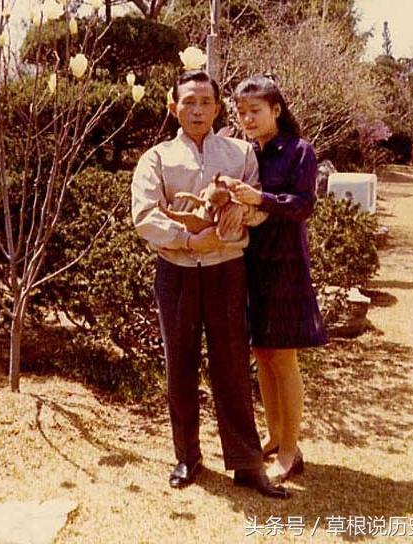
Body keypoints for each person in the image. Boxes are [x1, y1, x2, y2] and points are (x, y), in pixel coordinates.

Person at [131, 70, 290, 499]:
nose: (198, 110)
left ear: (218, 109)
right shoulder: (156, 159)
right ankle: (188, 457)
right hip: (176, 272)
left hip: (227, 270)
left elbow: (260, 204)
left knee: (233, 366)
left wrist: (243, 212)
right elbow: (145, 215)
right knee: (179, 366)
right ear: (173, 107)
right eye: (188, 102)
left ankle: (247, 464)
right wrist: (187, 239)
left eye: (206, 102)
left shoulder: (241, 153)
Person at [232, 75, 328, 482]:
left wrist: (261, 199)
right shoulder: (246, 153)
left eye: (255, 111)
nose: (247, 119)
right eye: (241, 112)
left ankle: (290, 452)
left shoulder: (299, 150)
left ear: (276, 110)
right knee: (262, 352)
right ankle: (274, 436)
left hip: (286, 265)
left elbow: (303, 205)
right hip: (250, 262)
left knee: (283, 358)